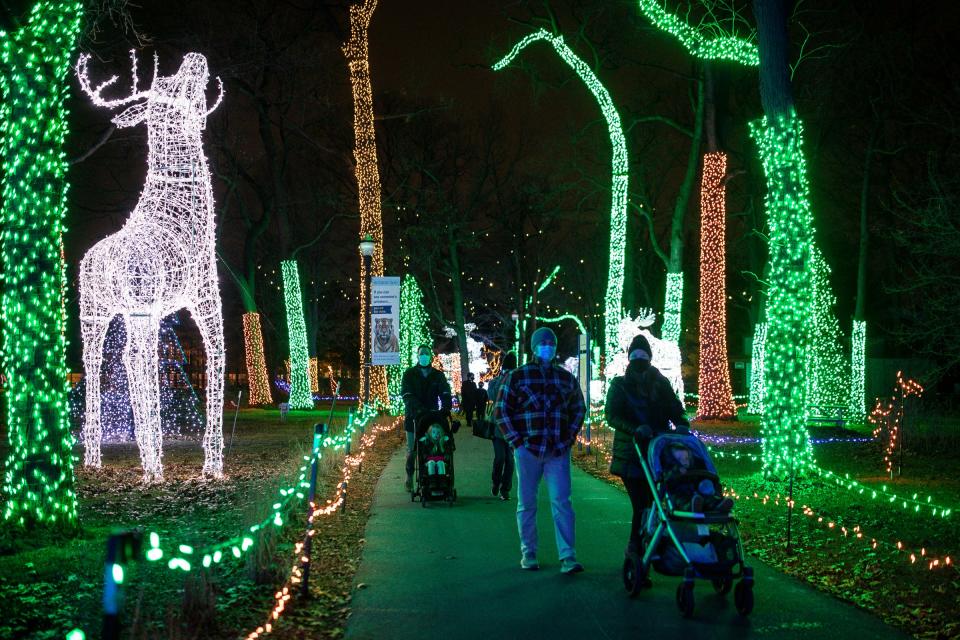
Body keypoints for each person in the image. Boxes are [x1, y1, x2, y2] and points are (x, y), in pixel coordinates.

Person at [495, 328, 586, 574]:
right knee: (526, 503)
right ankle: (529, 552)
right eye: (543, 343)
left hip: (557, 449)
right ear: (534, 347)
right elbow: (501, 411)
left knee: (562, 502)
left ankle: (567, 556)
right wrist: (517, 442)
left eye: (551, 343)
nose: (547, 346)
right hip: (529, 449)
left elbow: (579, 407)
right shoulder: (518, 376)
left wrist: (569, 437)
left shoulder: (565, 378)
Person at [605, 334, 691, 558]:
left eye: (643, 357)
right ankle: (636, 548)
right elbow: (612, 415)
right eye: (636, 357)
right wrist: (636, 429)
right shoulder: (620, 385)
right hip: (632, 454)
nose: (640, 362)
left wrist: (682, 423)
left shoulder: (660, 383)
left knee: (654, 504)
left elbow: (674, 407)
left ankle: (650, 545)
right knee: (642, 504)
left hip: (657, 452)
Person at [401, 345, 452, 491]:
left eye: (426, 353)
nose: (423, 355)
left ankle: (436, 475)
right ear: (417, 356)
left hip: (432, 417)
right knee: (412, 450)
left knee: (434, 446)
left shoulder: (437, 375)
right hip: (413, 416)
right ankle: (409, 476)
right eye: (421, 353)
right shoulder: (409, 374)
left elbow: (445, 391)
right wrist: (416, 408)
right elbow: (406, 394)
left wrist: (446, 406)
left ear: (430, 356)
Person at [662, 443, 733, 513]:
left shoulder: (694, 468)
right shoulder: (670, 472)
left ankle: (718, 505)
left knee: (708, 498)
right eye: (679, 459)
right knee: (684, 500)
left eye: (686, 458)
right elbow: (668, 484)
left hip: (698, 494)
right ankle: (693, 507)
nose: (684, 461)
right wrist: (676, 471)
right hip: (681, 495)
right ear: (673, 460)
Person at [486, 353, 517, 501]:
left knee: (510, 461)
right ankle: (496, 482)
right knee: (500, 458)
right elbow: (492, 395)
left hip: (513, 427)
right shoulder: (495, 382)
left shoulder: (518, 381)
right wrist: (502, 380)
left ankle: (505, 489)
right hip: (497, 427)